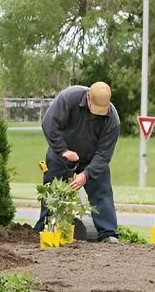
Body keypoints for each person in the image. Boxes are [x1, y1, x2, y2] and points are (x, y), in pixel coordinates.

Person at [34, 82, 121, 243]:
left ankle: (108, 234)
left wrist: (86, 175)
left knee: (102, 192)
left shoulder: (112, 119)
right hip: (61, 154)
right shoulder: (69, 98)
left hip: (91, 158)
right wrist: (63, 151)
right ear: (88, 97)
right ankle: (45, 230)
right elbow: (49, 124)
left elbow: (104, 154)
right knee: (53, 192)